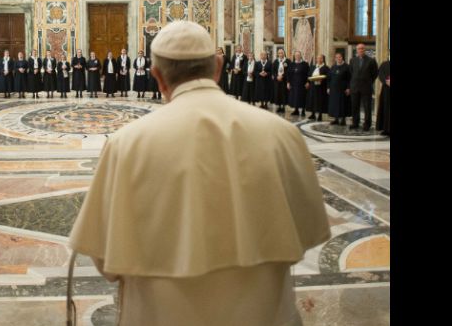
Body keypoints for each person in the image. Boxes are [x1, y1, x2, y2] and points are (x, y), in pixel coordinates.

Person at [69, 21, 330, 326]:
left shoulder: (126, 144)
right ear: (218, 66)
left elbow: (105, 260)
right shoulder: (281, 134)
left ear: (156, 76)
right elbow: (309, 231)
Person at [349, 43, 379, 131]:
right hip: (355, 87)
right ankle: (355, 123)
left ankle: (367, 124)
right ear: (357, 50)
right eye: (359, 49)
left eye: (362, 48)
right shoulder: (352, 60)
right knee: (355, 106)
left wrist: (369, 81)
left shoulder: (371, 60)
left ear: (364, 50)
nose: (360, 50)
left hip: (366, 87)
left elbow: (375, 73)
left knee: (367, 107)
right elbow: (351, 72)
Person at [327, 52, 351, 125]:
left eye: (339, 57)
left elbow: (350, 78)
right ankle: (336, 119)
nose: (338, 58)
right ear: (335, 58)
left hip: (343, 89)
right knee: (335, 104)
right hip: (334, 89)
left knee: (343, 104)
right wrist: (328, 87)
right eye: (336, 57)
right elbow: (329, 78)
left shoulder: (347, 67)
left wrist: (348, 88)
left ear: (342, 57)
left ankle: (343, 119)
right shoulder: (333, 67)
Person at [306, 54, 330, 122]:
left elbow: (328, 77)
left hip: (321, 87)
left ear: (323, 59)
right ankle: (313, 114)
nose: (319, 60)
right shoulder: (313, 67)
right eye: (318, 58)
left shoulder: (326, 68)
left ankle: (320, 115)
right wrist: (307, 82)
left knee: (320, 101)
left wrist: (323, 80)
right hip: (313, 86)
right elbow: (309, 75)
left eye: (320, 58)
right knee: (312, 100)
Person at [287, 51, 309, 117]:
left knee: (302, 97)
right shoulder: (292, 64)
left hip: (302, 84)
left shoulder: (305, 64)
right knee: (295, 97)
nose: (297, 56)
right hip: (293, 83)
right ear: (294, 56)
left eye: (298, 55)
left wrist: (308, 82)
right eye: (296, 55)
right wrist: (288, 82)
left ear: (300, 56)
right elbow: (289, 74)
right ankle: (296, 110)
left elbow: (308, 73)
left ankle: (303, 110)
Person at [272, 48, 289, 113]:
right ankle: (279, 106)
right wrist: (277, 76)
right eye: (279, 53)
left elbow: (288, 71)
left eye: (281, 53)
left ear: (284, 53)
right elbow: (273, 71)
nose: (280, 54)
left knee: (284, 93)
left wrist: (282, 76)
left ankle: (283, 106)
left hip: (284, 80)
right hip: (277, 80)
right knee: (278, 93)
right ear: (277, 54)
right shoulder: (276, 61)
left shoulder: (287, 61)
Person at [376, 58, 390, 136]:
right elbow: (380, 74)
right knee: (385, 108)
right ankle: (386, 129)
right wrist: (386, 81)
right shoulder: (384, 64)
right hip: (386, 90)